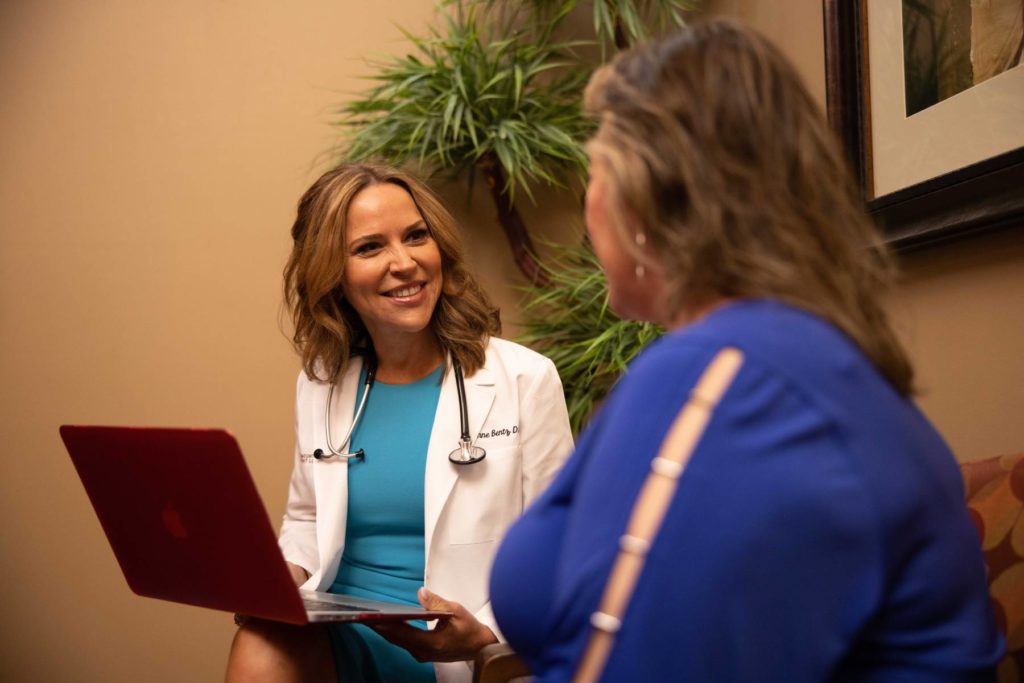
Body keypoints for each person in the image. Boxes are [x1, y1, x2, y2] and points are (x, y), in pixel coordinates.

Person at [489, 19, 1004, 682]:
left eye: (594, 171)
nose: (589, 203)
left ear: (645, 195)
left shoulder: (728, 383)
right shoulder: (790, 365)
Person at [226, 161, 574, 683]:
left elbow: (561, 548)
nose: (405, 262)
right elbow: (304, 520)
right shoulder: (322, 383)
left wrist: (484, 629)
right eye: (370, 248)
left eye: (416, 237)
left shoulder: (525, 378)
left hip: (454, 645)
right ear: (332, 275)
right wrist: (279, 579)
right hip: (339, 631)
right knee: (261, 643)